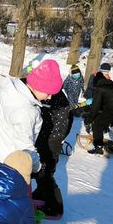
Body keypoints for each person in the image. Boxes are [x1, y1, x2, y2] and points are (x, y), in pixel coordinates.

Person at [0, 59, 63, 173]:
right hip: (9, 168)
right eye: (48, 93)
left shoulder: (12, 93)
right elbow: (25, 148)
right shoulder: (25, 111)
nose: (49, 98)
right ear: (37, 86)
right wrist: (37, 166)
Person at [33, 89, 72, 217]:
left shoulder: (59, 99)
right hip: (40, 140)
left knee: (46, 175)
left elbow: (64, 124)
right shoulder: (40, 94)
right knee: (40, 174)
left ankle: (55, 206)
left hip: (50, 144)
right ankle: (40, 195)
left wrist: (54, 142)